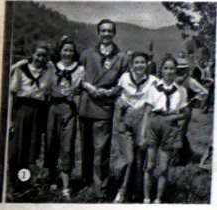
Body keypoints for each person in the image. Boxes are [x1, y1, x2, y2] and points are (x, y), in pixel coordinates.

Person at [78, 19, 129, 200]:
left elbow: (124, 83)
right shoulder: (86, 54)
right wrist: (89, 87)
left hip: (104, 107)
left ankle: (101, 187)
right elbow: (78, 77)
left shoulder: (122, 57)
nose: (106, 34)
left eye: (109, 31)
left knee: (101, 149)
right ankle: (86, 180)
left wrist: (109, 92)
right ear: (98, 33)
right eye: (103, 31)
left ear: (114, 34)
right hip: (85, 105)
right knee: (86, 147)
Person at [141, 55, 188, 204]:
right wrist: (142, 134)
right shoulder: (153, 89)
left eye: (172, 68)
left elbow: (185, 114)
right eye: (166, 68)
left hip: (170, 126)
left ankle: (158, 199)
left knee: (164, 167)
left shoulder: (181, 90)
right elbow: (147, 112)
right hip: (154, 124)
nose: (169, 71)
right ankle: (146, 198)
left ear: (176, 71)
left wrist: (175, 117)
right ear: (161, 70)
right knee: (149, 165)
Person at [112, 52, 158, 203]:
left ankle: (135, 191)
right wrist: (119, 106)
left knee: (139, 159)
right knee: (128, 158)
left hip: (143, 119)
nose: (139, 65)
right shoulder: (125, 78)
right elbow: (116, 94)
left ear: (147, 64)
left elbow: (160, 98)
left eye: (142, 62)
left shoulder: (153, 81)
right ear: (131, 65)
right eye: (136, 62)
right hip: (125, 118)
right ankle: (121, 190)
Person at [45, 37, 85, 200]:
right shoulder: (50, 66)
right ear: (60, 51)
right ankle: (52, 178)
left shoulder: (80, 69)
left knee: (67, 146)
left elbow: (81, 87)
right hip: (53, 108)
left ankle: (66, 186)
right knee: (50, 142)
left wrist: (74, 93)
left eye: (70, 50)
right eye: (65, 50)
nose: (67, 53)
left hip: (69, 109)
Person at [9, 41, 51, 192]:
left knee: (30, 150)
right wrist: (10, 120)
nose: (40, 58)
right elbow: (12, 94)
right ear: (32, 54)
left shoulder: (48, 71)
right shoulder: (21, 69)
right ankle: (13, 185)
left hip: (38, 112)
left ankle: (24, 183)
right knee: (17, 149)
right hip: (21, 110)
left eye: (44, 56)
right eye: (38, 54)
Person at [175, 58, 208, 165]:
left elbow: (204, 92)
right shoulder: (174, 79)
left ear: (186, 70)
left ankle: (181, 158)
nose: (180, 71)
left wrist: (193, 100)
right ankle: (186, 153)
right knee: (176, 132)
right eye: (178, 69)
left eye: (183, 69)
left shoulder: (190, 81)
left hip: (185, 109)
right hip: (174, 110)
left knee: (180, 133)